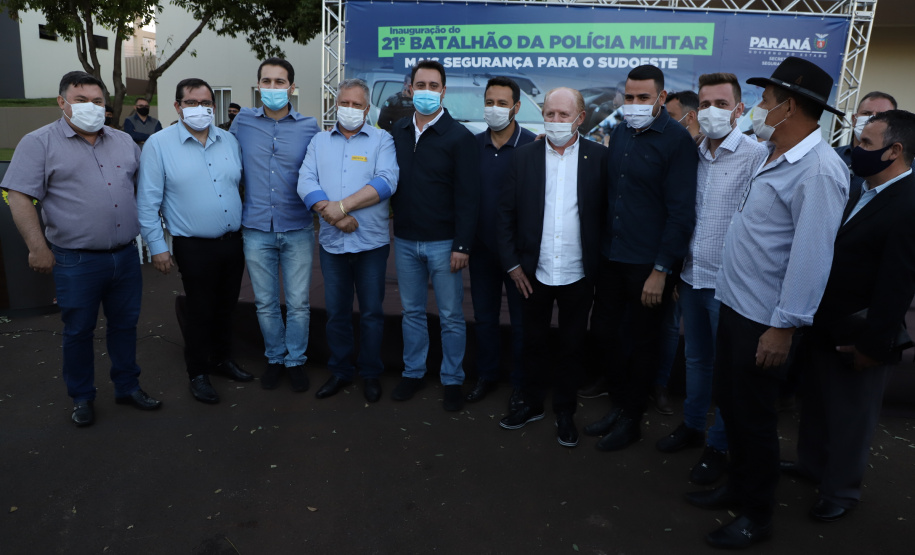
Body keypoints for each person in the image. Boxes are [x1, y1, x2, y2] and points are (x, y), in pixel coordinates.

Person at [685, 57, 849, 549]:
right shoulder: (775, 154)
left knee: (755, 420)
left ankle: (757, 514)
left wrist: (786, 326)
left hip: (766, 321)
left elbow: (811, 258)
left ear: (789, 106)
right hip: (735, 305)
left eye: (767, 100)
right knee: (734, 408)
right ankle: (737, 487)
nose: (759, 108)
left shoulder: (820, 170)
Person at [1, 71, 161, 426]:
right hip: (75, 259)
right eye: (81, 100)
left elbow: (142, 191)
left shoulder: (123, 142)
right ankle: (82, 397)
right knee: (78, 331)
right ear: (62, 102)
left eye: (98, 101)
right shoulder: (38, 142)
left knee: (124, 326)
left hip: (124, 255)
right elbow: (19, 195)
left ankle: (127, 386)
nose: (91, 107)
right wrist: (36, 246)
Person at [788, 109, 915, 522]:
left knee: (851, 417)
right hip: (825, 324)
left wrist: (872, 347)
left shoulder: (908, 203)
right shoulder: (857, 187)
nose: (854, 150)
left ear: (894, 150)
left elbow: (896, 286)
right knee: (819, 405)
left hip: (861, 335)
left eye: (865, 144)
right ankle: (811, 467)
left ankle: (840, 492)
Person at [656, 73, 768, 486]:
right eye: (704, 104)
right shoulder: (691, 153)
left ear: (739, 110)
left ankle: (719, 445)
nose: (711, 112)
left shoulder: (757, 155)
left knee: (728, 371)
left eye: (721, 104)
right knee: (697, 361)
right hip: (690, 276)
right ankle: (691, 427)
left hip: (731, 286)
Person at [584, 64, 697, 452]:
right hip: (612, 257)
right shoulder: (619, 132)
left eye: (643, 98)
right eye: (629, 97)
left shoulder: (678, 141)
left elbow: (681, 212)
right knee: (605, 333)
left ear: (661, 98)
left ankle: (632, 419)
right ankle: (619, 406)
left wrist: (662, 269)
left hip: (649, 265)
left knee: (643, 343)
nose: (633, 104)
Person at [497, 87, 608, 448]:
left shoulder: (600, 159)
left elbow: (607, 218)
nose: (556, 121)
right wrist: (513, 265)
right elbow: (505, 216)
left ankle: (564, 410)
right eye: (550, 113)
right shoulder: (523, 158)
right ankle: (530, 404)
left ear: (580, 118)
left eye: (564, 115)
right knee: (532, 342)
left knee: (572, 347)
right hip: (532, 272)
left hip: (579, 273)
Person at [137, 77, 252, 405]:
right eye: (191, 103)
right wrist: (158, 247)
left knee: (226, 306)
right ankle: (198, 372)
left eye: (205, 103)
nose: (200, 109)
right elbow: (147, 202)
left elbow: (238, 184)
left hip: (232, 241)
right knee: (200, 310)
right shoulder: (159, 145)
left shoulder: (228, 140)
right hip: (194, 245)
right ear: (177, 107)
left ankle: (221, 359)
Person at [298, 78, 398, 403]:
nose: (350, 109)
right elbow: (305, 180)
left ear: (367, 109)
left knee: (371, 312)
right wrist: (335, 216)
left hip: (370, 244)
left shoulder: (383, 139)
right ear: (336, 104)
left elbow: (386, 182)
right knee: (337, 313)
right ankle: (340, 371)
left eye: (357, 105)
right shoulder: (319, 142)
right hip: (332, 243)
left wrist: (342, 207)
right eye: (345, 103)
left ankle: (370, 372)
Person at [389, 60, 480, 412]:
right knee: (411, 311)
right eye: (420, 84)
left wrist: (462, 244)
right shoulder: (397, 129)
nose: (426, 91)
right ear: (409, 88)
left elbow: (469, 198)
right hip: (406, 239)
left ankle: (452, 378)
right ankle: (413, 373)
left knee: (451, 315)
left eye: (433, 85)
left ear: (444, 90)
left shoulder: (459, 137)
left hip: (446, 244)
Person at [230, 58, 320, 392]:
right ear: (257, 86)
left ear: (291, 88)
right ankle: (275, 358)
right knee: (266, 302)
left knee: (298, 302)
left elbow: (320, 171)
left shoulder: (310, 127)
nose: (272, 88)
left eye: (279, 82)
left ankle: (295, 360)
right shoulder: (242, 122)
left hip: (297, 226)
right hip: (255, 227)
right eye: (266, 81)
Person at [466, 76, 535, 410]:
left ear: (516, 107)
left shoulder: (533, 146)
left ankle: (521, 384)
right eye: (489, 102)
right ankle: (487, 375)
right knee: (485, 319)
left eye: (502, 103)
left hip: (519, 257)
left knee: (522, 323)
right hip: (481, 251)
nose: (494, 109)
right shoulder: (473, 146)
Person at [650, 89, 702, 417]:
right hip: (668, 254)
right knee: (661, 324)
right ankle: (652, 384)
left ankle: (665, 387)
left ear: (689, 116)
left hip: (698, 262)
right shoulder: (670, 147)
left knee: (681, 331)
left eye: (670, 116)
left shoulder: (707, 152)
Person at [833, 92, 909, 190]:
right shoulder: (832, 157)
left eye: (881, 115)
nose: (872, 119)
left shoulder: (905, 167)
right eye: (866, 113)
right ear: (854, 119)